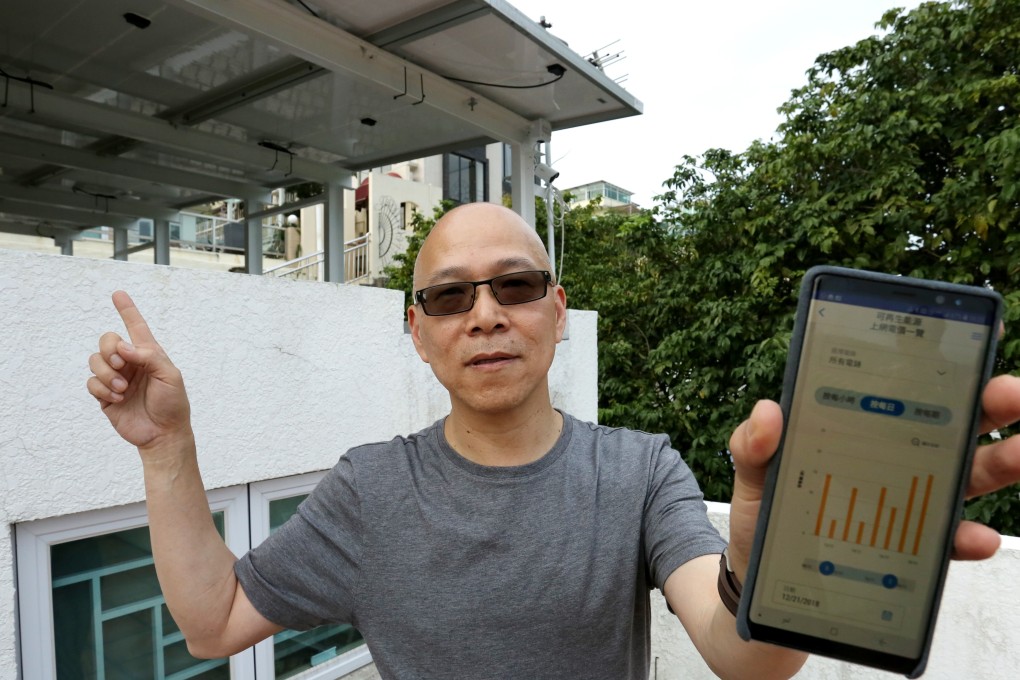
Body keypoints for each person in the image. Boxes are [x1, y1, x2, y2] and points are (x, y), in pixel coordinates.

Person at [87, 202, 1019, 679]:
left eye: (516, 286)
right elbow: (212, 623)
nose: (484, 314)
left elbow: (746, 659)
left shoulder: (639, 469)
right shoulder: (368, 492)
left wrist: (779, 556)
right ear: (416, 330)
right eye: (449, 295)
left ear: (558, 311)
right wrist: (168, 450)